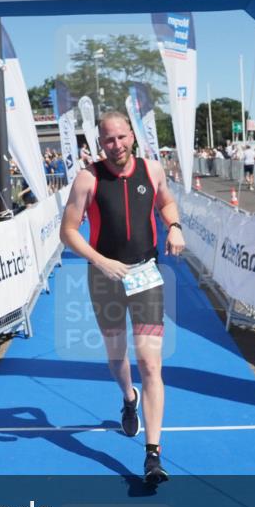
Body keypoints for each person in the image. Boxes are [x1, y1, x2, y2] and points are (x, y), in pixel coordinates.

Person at [59, 111, 186, 485]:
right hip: (105, 277)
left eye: (121, 137)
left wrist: (174, 227)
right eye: (108, 140)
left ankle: (152, 455)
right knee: (117, 358)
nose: (116, 146)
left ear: (132, 135)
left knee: (150, 363)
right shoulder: (88, 178)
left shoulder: (153, 170)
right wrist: (102, 262)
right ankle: (128, 398)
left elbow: (166, 204)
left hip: (146, 275)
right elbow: (69, 232)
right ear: (100, 144)